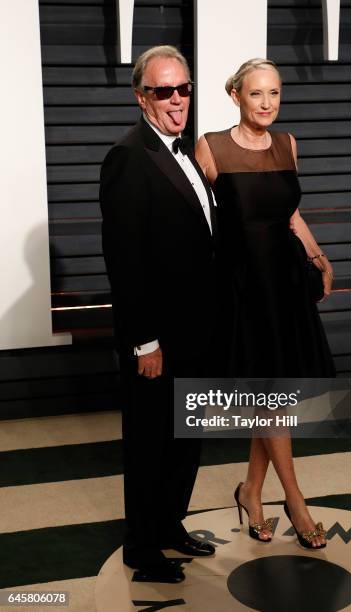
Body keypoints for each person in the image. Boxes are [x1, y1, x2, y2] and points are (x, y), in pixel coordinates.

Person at [195, 58, 335, 548]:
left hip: (285, 282)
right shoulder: (209, 148)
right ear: (236, 95)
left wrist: (318, 257)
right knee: (269, 399)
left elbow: (289, 211)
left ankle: (251, 490)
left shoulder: (287, 144)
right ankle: (295, 503)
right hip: (241, 287)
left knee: (272, 398)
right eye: (257, 94)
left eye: (274, 93)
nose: (268, 103)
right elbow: (196, 222)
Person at [100, 45, 217, 583]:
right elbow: (125, 260)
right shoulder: (129, 156)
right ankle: (142, 549)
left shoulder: (187, 151)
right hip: (158, 339)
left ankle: (169, 525)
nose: (176, 100)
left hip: (197, 331)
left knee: (184, 437)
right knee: (150, 442)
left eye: (183, 88)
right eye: (162, 90)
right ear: (140, 96)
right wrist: (144, 341)